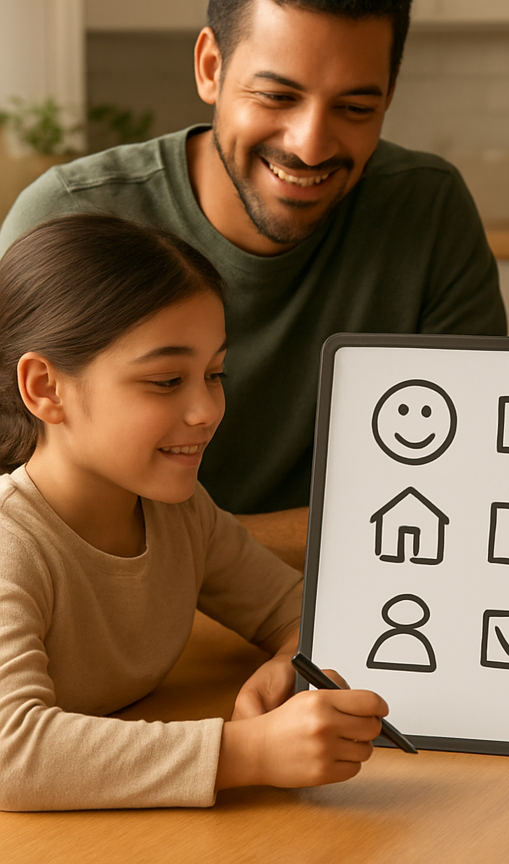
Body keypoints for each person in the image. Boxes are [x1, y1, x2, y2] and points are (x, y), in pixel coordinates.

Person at [0, 0, 507, 559]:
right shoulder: (69, 216)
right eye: (276, 96)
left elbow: (466, 480)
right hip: (106, 607)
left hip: (328, 604)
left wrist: (216, 566)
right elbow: (18, 512)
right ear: (211, 68)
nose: (311, 143)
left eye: (355, 108)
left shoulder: (427, 209)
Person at [0, 214, 389, 810]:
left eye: (214, 373)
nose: (206, 409)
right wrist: (249, 753)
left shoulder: (181, 516)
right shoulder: (10, 542)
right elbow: (13, 754)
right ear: (45, 388)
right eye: (165, 380)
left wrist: (290, 665)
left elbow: (299, 610)